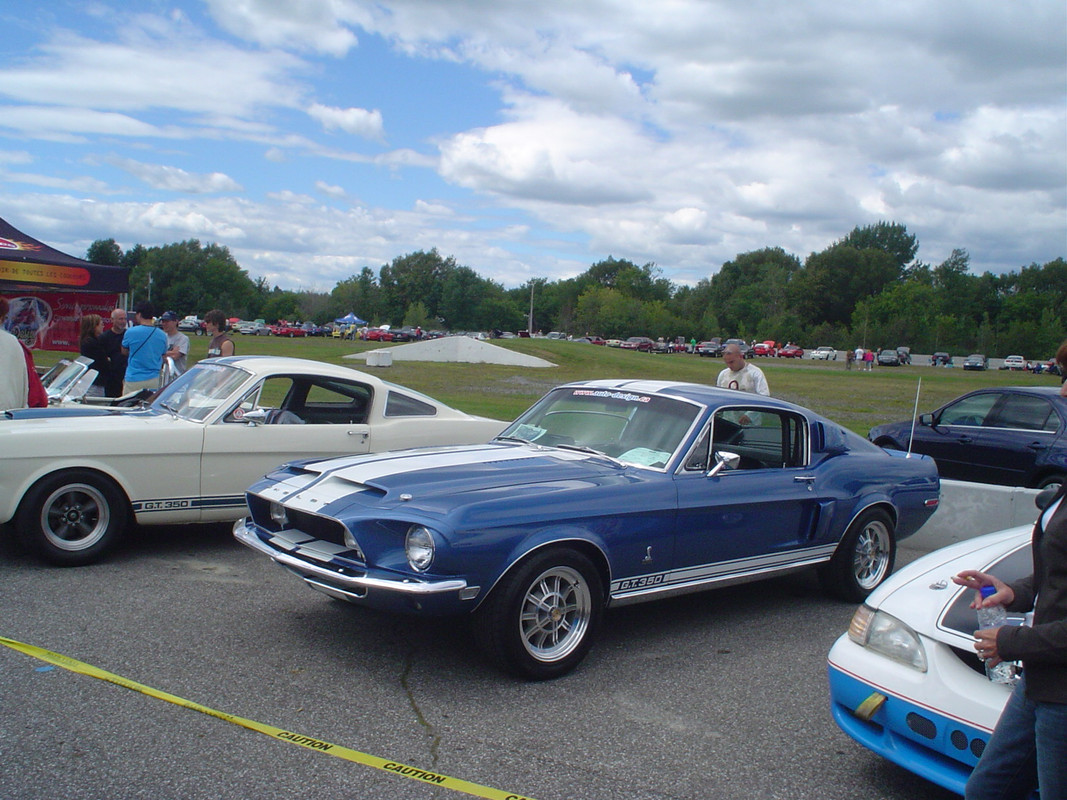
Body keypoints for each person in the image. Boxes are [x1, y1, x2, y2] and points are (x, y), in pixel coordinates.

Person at [952, 484, 1067, 800]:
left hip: (1061, 697)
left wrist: (1012, 642)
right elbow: (1057, 575)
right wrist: (1014, 593)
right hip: (1039, 681)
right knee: (986, 791)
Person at [121, 301, 168, 394]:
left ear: (139, 314)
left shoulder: (130, 332)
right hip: (154, 378)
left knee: (127, 405)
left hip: (134, 377)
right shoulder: (162, 335)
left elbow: (124, 351)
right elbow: (162, 354)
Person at [99, 308, 128, 397]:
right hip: (111, 378)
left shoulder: (129, 335)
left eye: (125, 319)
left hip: (126, 376)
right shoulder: (104, 337)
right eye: (120, 319)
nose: (123, 322)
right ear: (112, 320)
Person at [78, 313, 109, 397]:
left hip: (95, 381)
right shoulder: (92, 343)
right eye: (101, 325)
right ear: (94, 326)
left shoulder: (87, 341)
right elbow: (102, 362)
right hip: (95, 381)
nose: (103, 327)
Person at [159, 310, 189, 375]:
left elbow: (175, 356)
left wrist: (162, 354)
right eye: (163, 321)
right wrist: (171, 352)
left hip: (177, 376)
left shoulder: (183, 338)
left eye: (167, 321)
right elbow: (156, 355)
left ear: (175, 322)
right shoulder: (162, 337)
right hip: (163, 377)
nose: (164, 324)